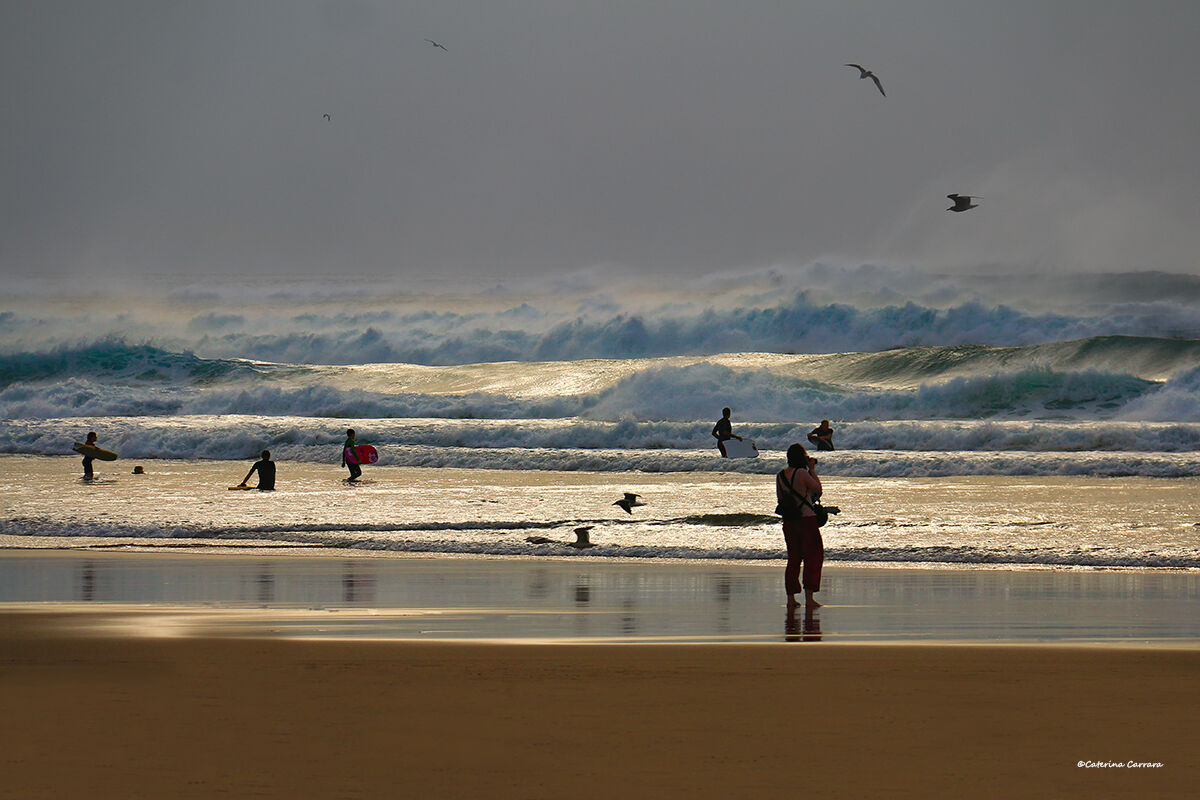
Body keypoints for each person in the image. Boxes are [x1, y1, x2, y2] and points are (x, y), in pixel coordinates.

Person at [776, 442, 824, 609]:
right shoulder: (802, 473)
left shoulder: (780, 475)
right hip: (806, 520)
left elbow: (780, 499)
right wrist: (812, 470)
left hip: (789, 521)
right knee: (813, 557)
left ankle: (791, 598)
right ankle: (809, 598)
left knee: (793, 559)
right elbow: (817, 489)